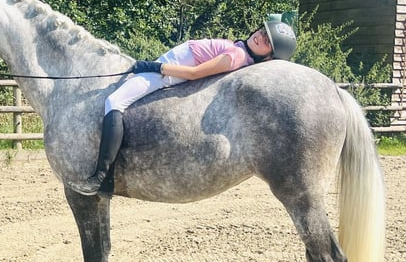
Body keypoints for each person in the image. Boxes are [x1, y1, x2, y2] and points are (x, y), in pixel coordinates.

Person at [68, 15, 297, 195]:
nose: (260, 37)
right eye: (262, 32)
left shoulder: (236, 57)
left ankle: (100, 177)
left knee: (114, 102)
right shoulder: (240, 49)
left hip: (165, 73)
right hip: (165, 67)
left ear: (269, 56)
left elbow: (194, 72)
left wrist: (155, 68)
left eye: (267, 41)